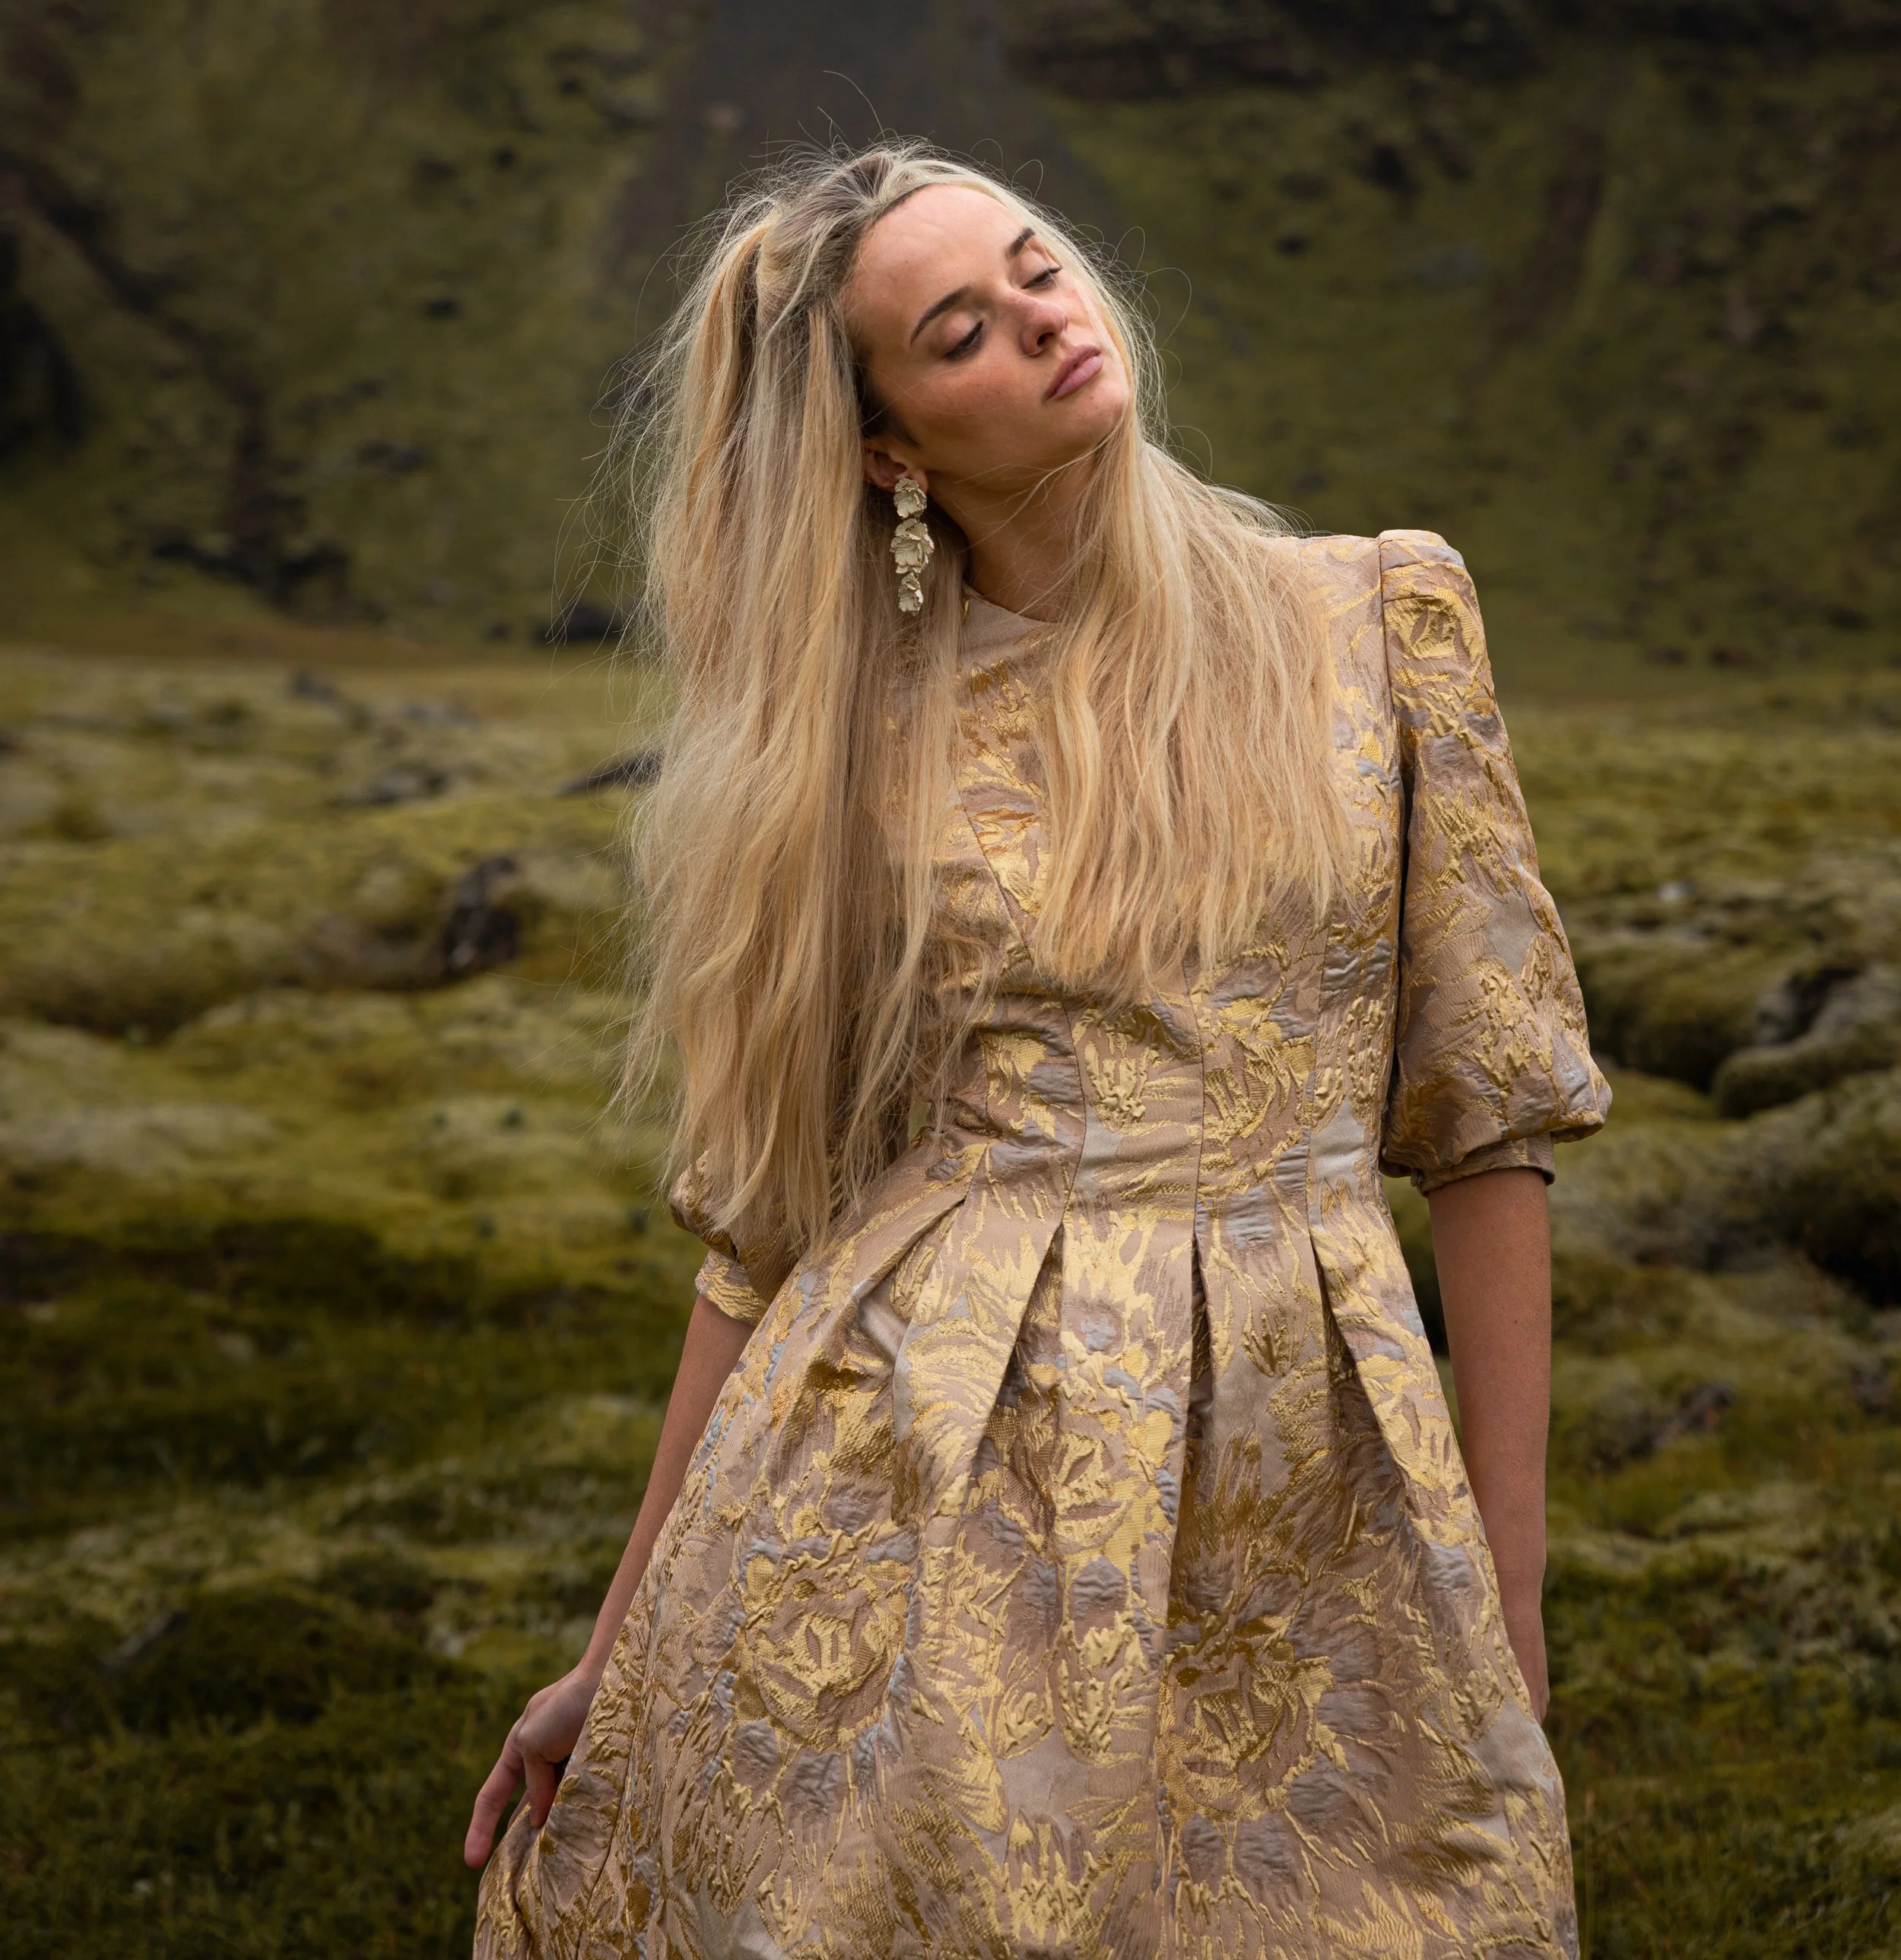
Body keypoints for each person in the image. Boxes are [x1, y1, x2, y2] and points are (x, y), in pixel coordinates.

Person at [466, 142, 1609, 1959]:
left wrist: (1506, 1588)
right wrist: (615, 1652)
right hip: (933, 1480)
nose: (1044, 319)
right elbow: (767, 1234)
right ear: (886, 451)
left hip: (1314, 1452)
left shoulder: (1375, 618)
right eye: (960, 329)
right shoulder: (844, 750)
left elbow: (1488, 1122)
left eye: (1035, 268)